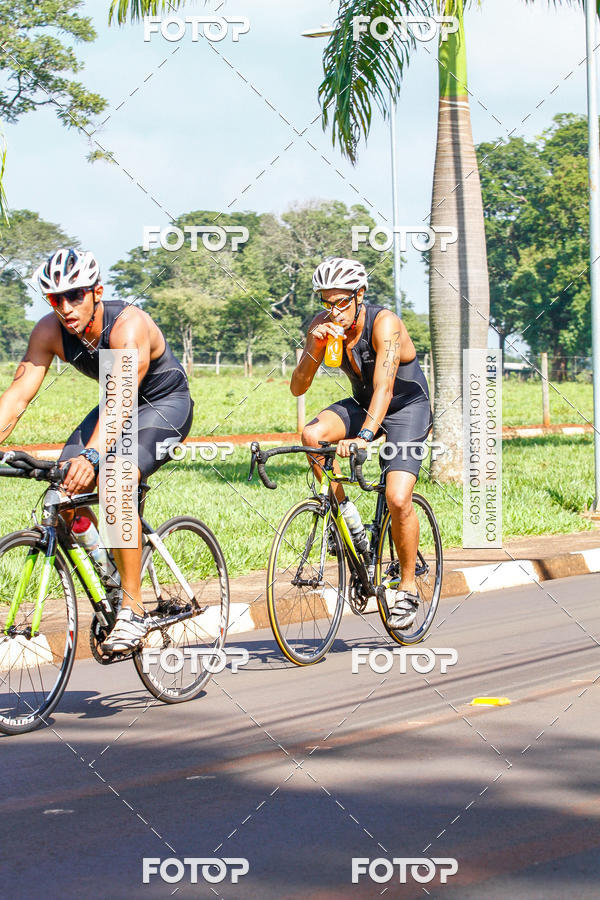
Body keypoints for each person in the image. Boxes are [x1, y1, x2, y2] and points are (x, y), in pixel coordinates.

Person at [0, 248, 193, 653]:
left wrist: (92, 457)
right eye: (55, 299)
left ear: (97, 292)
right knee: (63, 490)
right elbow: (17, 396)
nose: (66, 307)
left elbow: (122, 401)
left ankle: (134, 610)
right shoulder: (49, 331)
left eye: (75, 296)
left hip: (162, 405)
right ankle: (110, 573)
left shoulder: (128, 326)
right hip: (114, 405)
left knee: (117, 480)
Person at [290, 256, 433, 629]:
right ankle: (351, 526)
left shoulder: (385, 324)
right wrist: (312, 346)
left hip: (404, 408)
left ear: (360, 294)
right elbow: (297, 387)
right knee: (312, 436)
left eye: (340, 302)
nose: (333, 311)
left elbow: (385, 389)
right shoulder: (323, 326)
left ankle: (406, 588)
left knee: (398, 497)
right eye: (326, 302)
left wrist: (364, 437)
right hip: (363, 402)